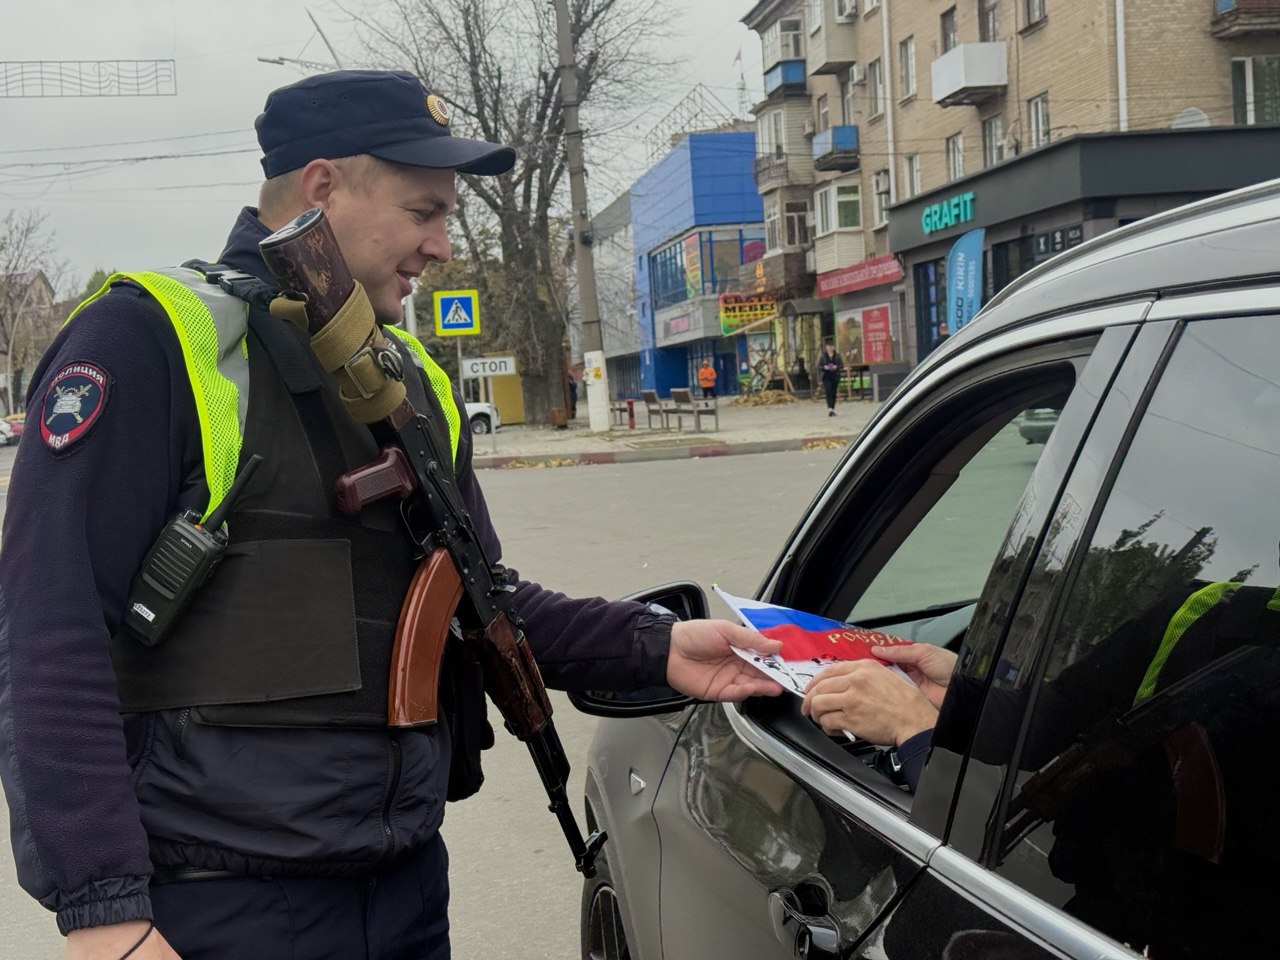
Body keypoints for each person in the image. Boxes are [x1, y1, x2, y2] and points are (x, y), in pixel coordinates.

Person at [0, 70, 785, 960]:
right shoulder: (151, 342)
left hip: (404, 894)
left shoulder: (407, 378)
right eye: (423, 212)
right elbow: (49, 631)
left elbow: (478, 599)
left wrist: (657, 645)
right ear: (322, 187)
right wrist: (104, 912)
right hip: (219, 910)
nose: (441, 245)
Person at [819, 342, 842, 417]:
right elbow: (819, 366)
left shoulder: (837, 356)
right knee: (828, 391)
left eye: (831, 346)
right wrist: (824, 367)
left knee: (834, 392)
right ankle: (830, 408)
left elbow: (841, 365)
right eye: (828, 347)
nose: (829, 348)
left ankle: (832, 408)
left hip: (835, 376)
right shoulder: (823, 356)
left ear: (833, 347)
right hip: (826, 376)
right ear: (826, 348)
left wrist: (836, 367)